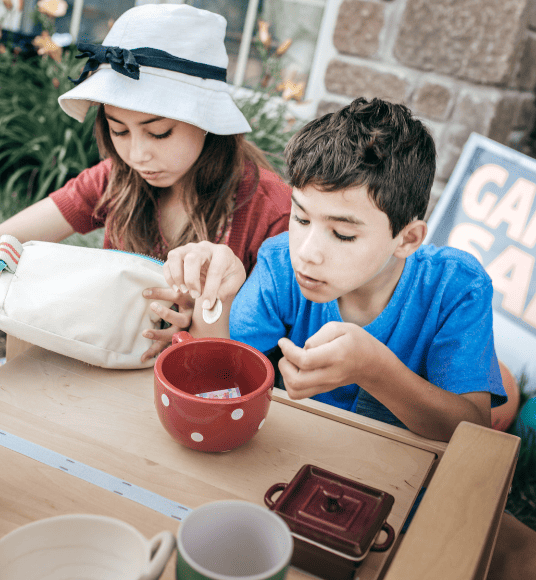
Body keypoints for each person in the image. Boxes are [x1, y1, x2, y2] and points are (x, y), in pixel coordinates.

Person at [163, 96, 536, 579]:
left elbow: (473, 437)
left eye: (342, 234)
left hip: (411, 490)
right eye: (301, 218)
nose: (308, 253)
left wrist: (374, 369)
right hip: (290, 476)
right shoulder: (280, 263)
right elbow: (224, 385)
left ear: (408, 238)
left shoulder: (456, 287)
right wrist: (215, 304)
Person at [0, 3, 291, 364]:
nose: (137, 155)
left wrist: (197, 326)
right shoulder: (114, 178)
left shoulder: (272, 209)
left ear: (208, 121)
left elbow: (275, 358)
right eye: (118, 130)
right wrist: (71, 278)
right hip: (90, 370)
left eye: (159, 133)